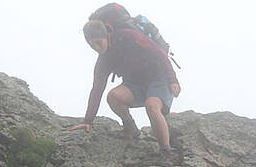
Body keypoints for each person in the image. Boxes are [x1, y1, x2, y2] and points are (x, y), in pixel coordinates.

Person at [68, 16, 181, 155]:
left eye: (98, 42)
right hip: (134, 84)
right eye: (92, 46)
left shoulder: (129, 36)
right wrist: (88, 120)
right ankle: (130, 128)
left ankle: (166, 150)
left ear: (106, 35)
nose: (97, 48)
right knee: (113, 97)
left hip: (159, 79)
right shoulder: (103, 60)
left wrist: (172, 79)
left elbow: (158, 53)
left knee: (151, 106)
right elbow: (97, 89)